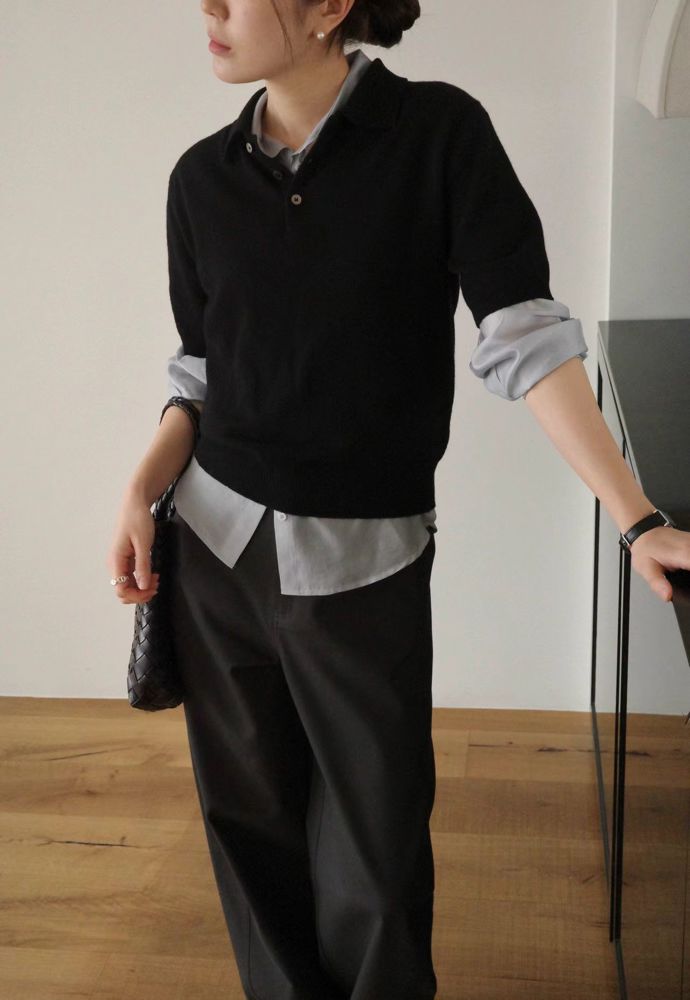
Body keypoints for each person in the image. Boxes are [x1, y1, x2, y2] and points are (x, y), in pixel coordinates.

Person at [108, 1, 681, 998]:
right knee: (250, 831)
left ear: (330, 6)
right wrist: (140, 486)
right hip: (214, 553)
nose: (209, 7)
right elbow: (200, 372)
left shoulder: (439, 137)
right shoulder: (201, 179)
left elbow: (526, 338)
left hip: (362, 565)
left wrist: (637, 518)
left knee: (374, 853)